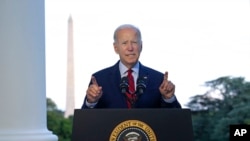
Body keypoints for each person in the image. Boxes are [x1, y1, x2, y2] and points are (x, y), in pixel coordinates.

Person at [81, 24, 181, 109]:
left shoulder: (158, 79)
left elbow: (174, 121)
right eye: (124, 43)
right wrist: (91, 102)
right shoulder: (100, 80)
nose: (130, 48)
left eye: (134, 42)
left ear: (141, 46)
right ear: (116, 48)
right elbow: (86, 121)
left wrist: (168, 98)